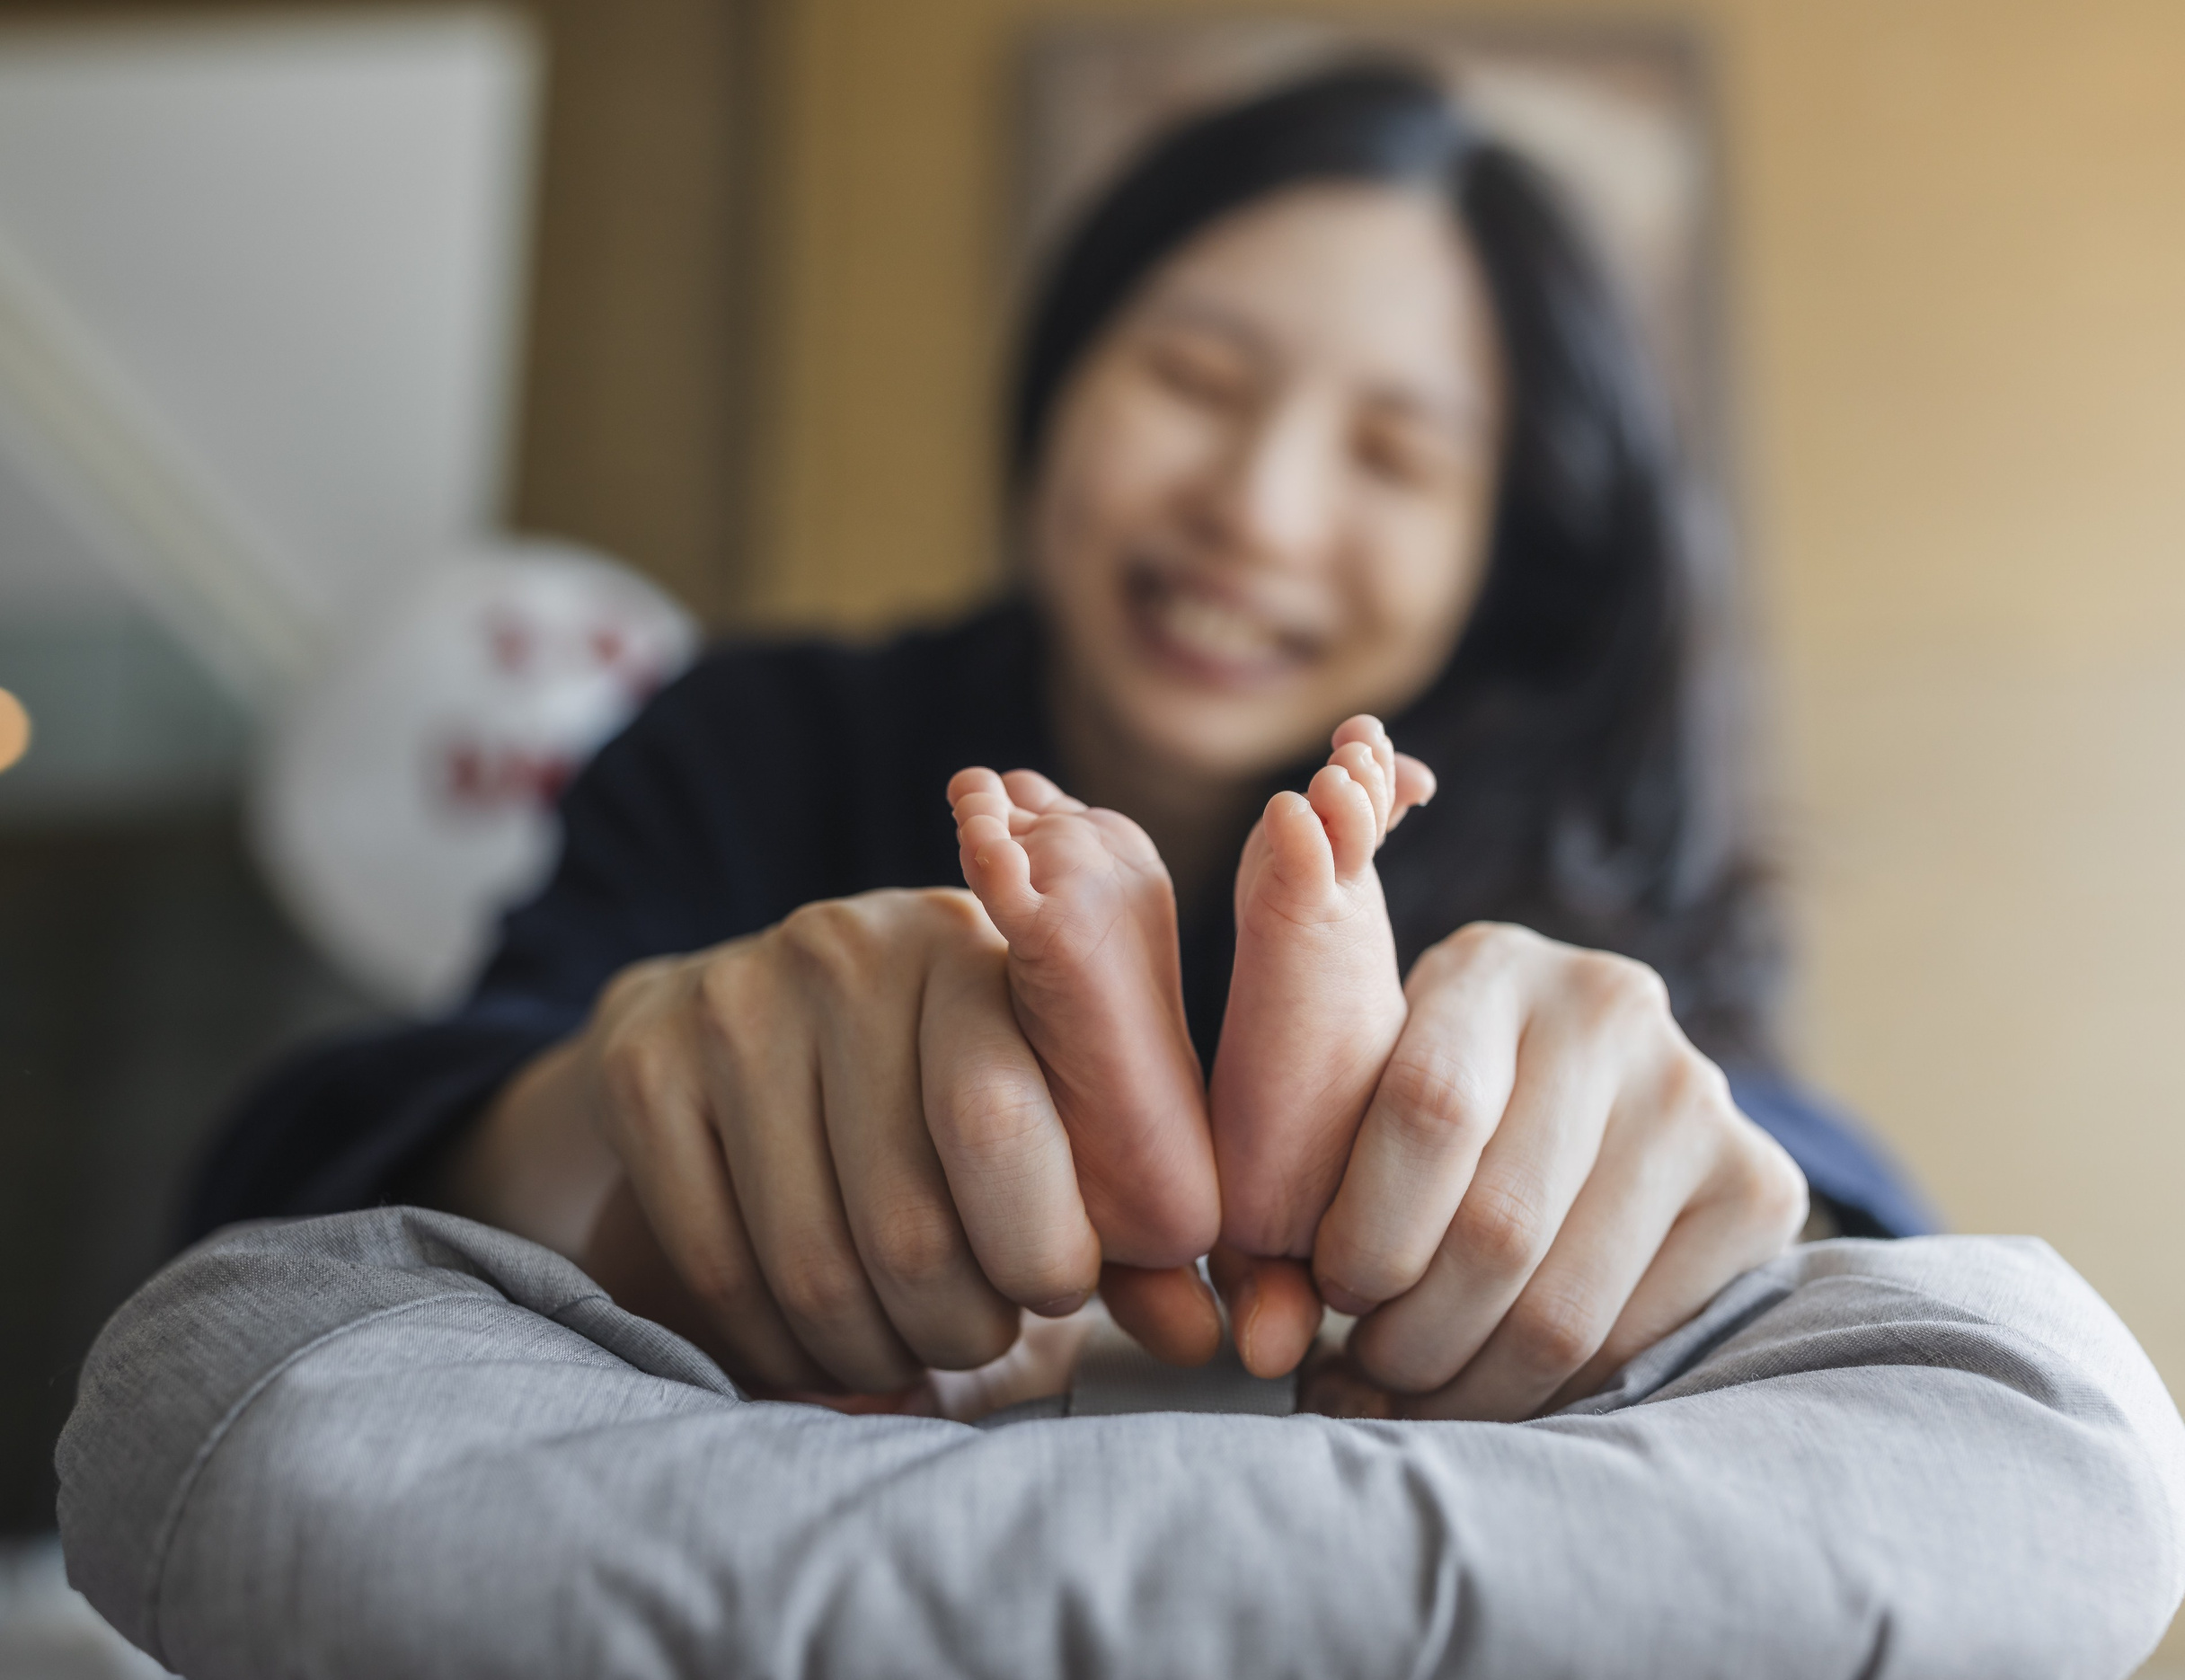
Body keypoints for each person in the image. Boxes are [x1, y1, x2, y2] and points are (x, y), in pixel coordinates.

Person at [190, 64, 1932, 1419]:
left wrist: (1709, 1185)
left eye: (1392, 456)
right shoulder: (754, 737)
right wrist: (607, 1117)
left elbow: (1835, 1201)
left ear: (1508, 549)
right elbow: (312, 1181)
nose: (1253, 507)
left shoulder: (1591, 840)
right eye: (1191, 376)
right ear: (1061, 374)